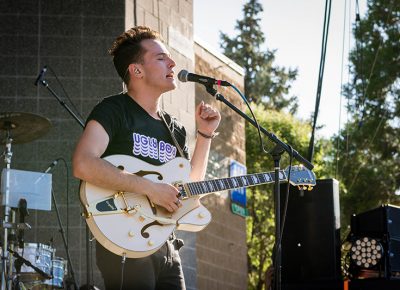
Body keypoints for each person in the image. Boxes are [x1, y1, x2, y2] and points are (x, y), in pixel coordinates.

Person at [72, 26, 220, 290]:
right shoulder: (114, 110)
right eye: (161, 58)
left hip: (166, 244)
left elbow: (188, 189)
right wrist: (150, 189)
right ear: (136, 70)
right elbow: (84, 163)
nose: (172, 62)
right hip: (126, 240)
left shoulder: (174, 128)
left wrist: (205, 135)